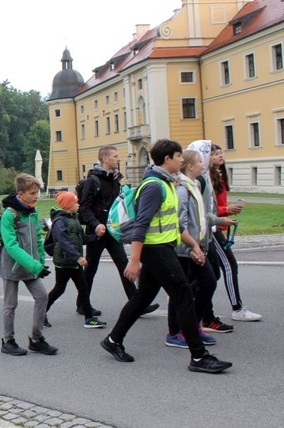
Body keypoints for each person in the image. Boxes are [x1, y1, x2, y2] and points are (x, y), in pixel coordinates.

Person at [100, 139, 232, 374]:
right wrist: (133, 260)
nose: (183, 160)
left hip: (164, 247)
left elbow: (173, 224)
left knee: (142, 298)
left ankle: (113, 340)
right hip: (156, 250)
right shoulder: (154, 185)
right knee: (183, 294)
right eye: (179, 156)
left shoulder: (168, 183)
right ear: (168, 159)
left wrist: (193, 245)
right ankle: (199, 357)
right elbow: (141, 225)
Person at [78, 146, 159, 317]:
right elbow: (84, 208)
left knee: (124, 265)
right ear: (105, 159)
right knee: (91, 269)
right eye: (115, 156)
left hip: (113, 232)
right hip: (97, 233)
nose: (119, 159)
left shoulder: (115, 179)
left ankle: (137, 303)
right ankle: (82, 304)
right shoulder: (92, 181)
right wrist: (95, 225)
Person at [165, 149, 232, 348]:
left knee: (208, 282)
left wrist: (221, 220)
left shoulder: (195, 185)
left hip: (197, 245)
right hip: (184, 250)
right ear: (191, 166)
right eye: (200, 162)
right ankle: (175, 332)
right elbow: (180, 223)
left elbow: (203, 217)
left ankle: (192, 326)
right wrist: (192, 246)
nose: (204, 165)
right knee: (181, 290)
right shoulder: (182, 190)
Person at [0, 173, 56, 356]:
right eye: (32, 193)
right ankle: (8, 341)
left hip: (31, 265)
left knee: (42, 296)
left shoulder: (32, 210)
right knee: (10, 305)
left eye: (37, 192)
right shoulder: (9, 214)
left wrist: (40, 261)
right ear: (21, 194)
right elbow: (12, 247)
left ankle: (36, 339)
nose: (36, 196)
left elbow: (38, 239)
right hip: (12, 266)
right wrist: (35, 266)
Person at [204, 142, 262, 324]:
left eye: (221, 153)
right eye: (215, 154)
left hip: (216, 226)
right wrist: (225, 211)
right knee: (228, 266)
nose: (220, 156)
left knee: (211, 274)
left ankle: (197, 309)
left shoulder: (218, 175)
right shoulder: (205, 178)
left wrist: (227, 211)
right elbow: (208, 209)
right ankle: (236, 309)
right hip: (211, 229)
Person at [45, 191, 106, 329]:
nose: (78, 205)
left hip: (73, 261)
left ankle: (89, 318)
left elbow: (81, 238)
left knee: (83, 288)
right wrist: (78, 257)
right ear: (67, 205)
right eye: (75, 202)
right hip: (65, 262)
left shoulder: (74, 218)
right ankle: (41, 313)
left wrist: (96, 236)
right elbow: (64, 241)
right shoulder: (60, 221)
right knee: (59, 289)